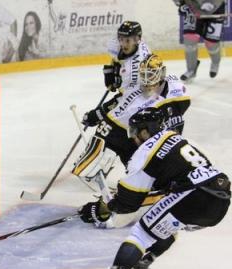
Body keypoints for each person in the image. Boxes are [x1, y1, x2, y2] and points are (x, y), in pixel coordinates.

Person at [78, 107, 230, 269]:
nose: (133, 138)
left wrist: (101, 209)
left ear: (144, 131)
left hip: (193, 196)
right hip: (221, 199)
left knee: (141, 233)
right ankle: (142, 264)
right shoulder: (179, 138)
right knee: (168, 224)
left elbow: (128, 204)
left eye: (134, 132)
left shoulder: (144, 153)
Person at [73, 54, 191, 186]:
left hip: (137, 135)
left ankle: (145, 182)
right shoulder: (134, 88)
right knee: (96, 164)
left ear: (161, 73)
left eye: (150, 75)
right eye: (143, 75)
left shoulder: (176, 88)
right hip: (116, 129)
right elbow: (116, 101)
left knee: (141, 166)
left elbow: (179, 110)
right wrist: (97, 115)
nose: (146, 80)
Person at [173, 0, 226, 80]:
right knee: (190, 38)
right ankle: (191, 70)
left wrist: (213, 3)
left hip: (215, 8)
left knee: (211, 43)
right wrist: (181, 3)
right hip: (193, 8)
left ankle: (215, 62)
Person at [103, 21, 151, 93]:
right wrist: (114, 65)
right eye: (121, 39)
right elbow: (116, 58)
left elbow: (127, 94)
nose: (123, 44)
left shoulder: (137, 66)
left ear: (137, 40)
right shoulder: (116, 44)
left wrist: (117, 97)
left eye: (127, 41)